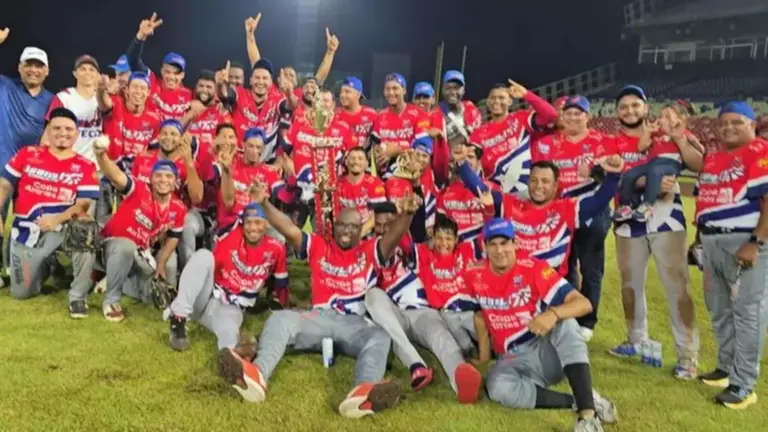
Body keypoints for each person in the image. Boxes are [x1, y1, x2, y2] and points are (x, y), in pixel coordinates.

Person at [216, 182, 421, 418]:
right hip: (318, 318)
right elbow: (289, 229)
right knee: (280, 319)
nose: (346, 231)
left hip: (353, 324)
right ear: (334, 226)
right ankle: (256, 375)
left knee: (381, 337)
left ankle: (363, 392)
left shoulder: (371, 250)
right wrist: (264, 203)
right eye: (342, 225)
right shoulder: (319, 245)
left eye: (352, 226)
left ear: (361, 229)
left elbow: (394, 236)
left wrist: (407, 214)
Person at [464, 218, 617, 432]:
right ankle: (581, 399)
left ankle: (587, 417)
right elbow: (479, 316)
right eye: (493, 244)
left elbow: (584, 304)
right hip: (511, 359)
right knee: (497, 387)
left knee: (566, 324)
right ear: (484, 246)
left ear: (515, 243)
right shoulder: (474, 274)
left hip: (544, 351)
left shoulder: (533, 268)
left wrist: (553, 313)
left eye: (505, 243)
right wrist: (483, 356)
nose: (499, 250)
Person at [608, 85, 701, 380]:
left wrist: (680, 138)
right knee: (630, 285)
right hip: (628, 221)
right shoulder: (611, 140)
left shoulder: (669, 133)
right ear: (617, 112)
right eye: (624, 106)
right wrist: (646, 184)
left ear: (646, 108)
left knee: (677, 286)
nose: (630, 111)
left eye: (635, 105)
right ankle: (635, 340)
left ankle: (688, 355)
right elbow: (613, 178)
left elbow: (698, 163)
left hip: (667, 215)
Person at [365, 206, 483, 403]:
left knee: (442, 340)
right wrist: (366, 226)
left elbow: (405, 234)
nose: (385, 230)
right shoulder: (367, 250)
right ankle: (416, 365)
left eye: (390, 225)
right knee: (373, 296)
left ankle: (461, 382)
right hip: (393, 315)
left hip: (423, 313)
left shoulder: (414, 250)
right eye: (379, 225)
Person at [695, 101, 768, 409]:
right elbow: (706, 201)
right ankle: (726, 368)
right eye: (723, 123)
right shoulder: (714, 158)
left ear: (752, 125)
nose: (728, 127)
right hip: (711, 241)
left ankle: (744, 383)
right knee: (719, 309)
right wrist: (698, 240)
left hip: (743, 240)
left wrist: (756, 241)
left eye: (737, 122)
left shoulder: (760, 151)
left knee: (748, 312)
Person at [530, 95, 619, 341]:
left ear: (587, 116)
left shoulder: (602, 141)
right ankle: (567, 314)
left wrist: (594, 171)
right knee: (563, 265)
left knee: (591, 267)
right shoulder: (549, 144)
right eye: (568, 113)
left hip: (592, 209)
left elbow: (615, 171)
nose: (572, 117)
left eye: (578, 113)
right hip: (560, 211)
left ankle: (587, 322)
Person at [0, 108, 98, 316]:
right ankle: (49, 265)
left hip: (62, 229)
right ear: (48, 131)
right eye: (57, 128)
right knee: (21, 293)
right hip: (26, 231)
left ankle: (78, 297)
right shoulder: (27, 154)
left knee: (85, 229)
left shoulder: (85, 165)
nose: (63, 133)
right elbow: (4, 186)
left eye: (68, 129)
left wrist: (56, 219)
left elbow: (82, 204)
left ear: (77, 133)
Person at [168, 202, 288, 351]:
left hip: (231, 308)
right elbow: (227, 209)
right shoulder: (232, 236)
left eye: (258, 222)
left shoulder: (276, 248)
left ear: (266, 224)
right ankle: (178, 318)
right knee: (204, 256)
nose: (253, 228)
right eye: (249, 223)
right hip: (205, 296)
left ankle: (229, 358)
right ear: (242, 224)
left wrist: (281, 306)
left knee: (230, 336)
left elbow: (281, 282)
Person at [94, 138, 187, 322]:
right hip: (110, 246)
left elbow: (174, 237)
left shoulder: (179, 208)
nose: (163, 180)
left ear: (175, 182)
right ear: (151, 179)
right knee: (126, 246)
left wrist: (161, 263)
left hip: (141, 253)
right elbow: (115, 176)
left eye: (169, 177)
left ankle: (116, 280)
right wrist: (101, 155)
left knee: (155, 294)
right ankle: (111, 300)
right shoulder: (139, 189)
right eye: (158, 175)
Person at [0, 29, 55, 249]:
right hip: (1, 168)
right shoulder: (4, 86)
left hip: (32, 173)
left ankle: (22, 262)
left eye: (39, 66)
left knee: (29, 224)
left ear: (47, 71)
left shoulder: (52, 99)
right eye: (28, 65)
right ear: (19, 67)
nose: (33, 70)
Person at [614, 100, 700, 222]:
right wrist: (648, 133)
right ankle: (626, 206)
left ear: (679, 120)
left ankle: (647, 205)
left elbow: (700, 150)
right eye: (661, 116)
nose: (661, 119)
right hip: (654, 162)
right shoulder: (656, 134)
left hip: (671, 162)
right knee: (630, 174)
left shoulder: (683, 133)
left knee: (654, 171)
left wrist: (684, 140)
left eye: (667, 116)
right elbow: (641, 148)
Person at [468, 81, 557, 194]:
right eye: (493, 98)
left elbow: (551, 115)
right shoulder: (478, 133)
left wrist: (526, 94)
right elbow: (471, 164)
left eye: (501, 97)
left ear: (510, 101)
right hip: (498, 194)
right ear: (488, 102)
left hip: (528, 191)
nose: (496, 101)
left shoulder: (521, 118)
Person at [214, 127, 284, 239]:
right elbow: (209, 173)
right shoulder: (230, 163)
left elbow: (284, 194)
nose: (254, 151)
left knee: (279, 237)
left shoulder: (268, 172)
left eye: (258, 147)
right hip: (231, 223)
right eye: (251, 146)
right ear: (243, 145)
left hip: (257, 225)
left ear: (263, 149)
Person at [217, 59, 291, 163]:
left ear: (271, 82)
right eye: (257, 78)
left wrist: (289, 94)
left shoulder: (277, 99)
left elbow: (290, 107)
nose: (260, 82)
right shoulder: (240, 94)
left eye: (264, 78)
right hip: (238, 161)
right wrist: (221, 85)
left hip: (267, 163)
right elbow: (225, 95)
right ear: (250, 80)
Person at [127, 13, 192, 121]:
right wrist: (140, 36)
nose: (171, 77)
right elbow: (132, 60)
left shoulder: (189, 94)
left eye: (176, 73)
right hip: (151, 130)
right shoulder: (152, 81)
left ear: (183, 75)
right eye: (168, 72)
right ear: (161, 71)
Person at [370, 73, 430, 179]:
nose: (391, 92)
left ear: (404, 90)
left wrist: (396, 151)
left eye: (395, 88)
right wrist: (377, 153)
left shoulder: (419, 114)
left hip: (411, 173)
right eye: (387, 89)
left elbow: (423, 148)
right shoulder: (380, 116)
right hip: (384, 172)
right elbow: (375, 145)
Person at [44, 55, 102, 163]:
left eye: (91, 69)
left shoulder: (103, 100)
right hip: (68, 163)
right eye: (83, 69)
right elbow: (48, 135)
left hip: (97, 166)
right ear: (75, 73)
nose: (87, 72)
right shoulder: (63, 98)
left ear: (98, 74)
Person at [336, 146, 387, 232]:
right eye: (352, 158)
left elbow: (378, 214)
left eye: (360, 158)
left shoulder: (374, 184)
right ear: (346, 162)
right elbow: (336, 214)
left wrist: (358, 235)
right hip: (345, 230)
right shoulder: (338, 185)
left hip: (368, 232)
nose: (356, 162)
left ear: (367, 164)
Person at [335, 77, 377, 149]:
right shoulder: (335, 114)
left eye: (347, 92)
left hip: (365, 154)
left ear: (358, 94)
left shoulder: (371, 114)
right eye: (341, 92)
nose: (342, 95)